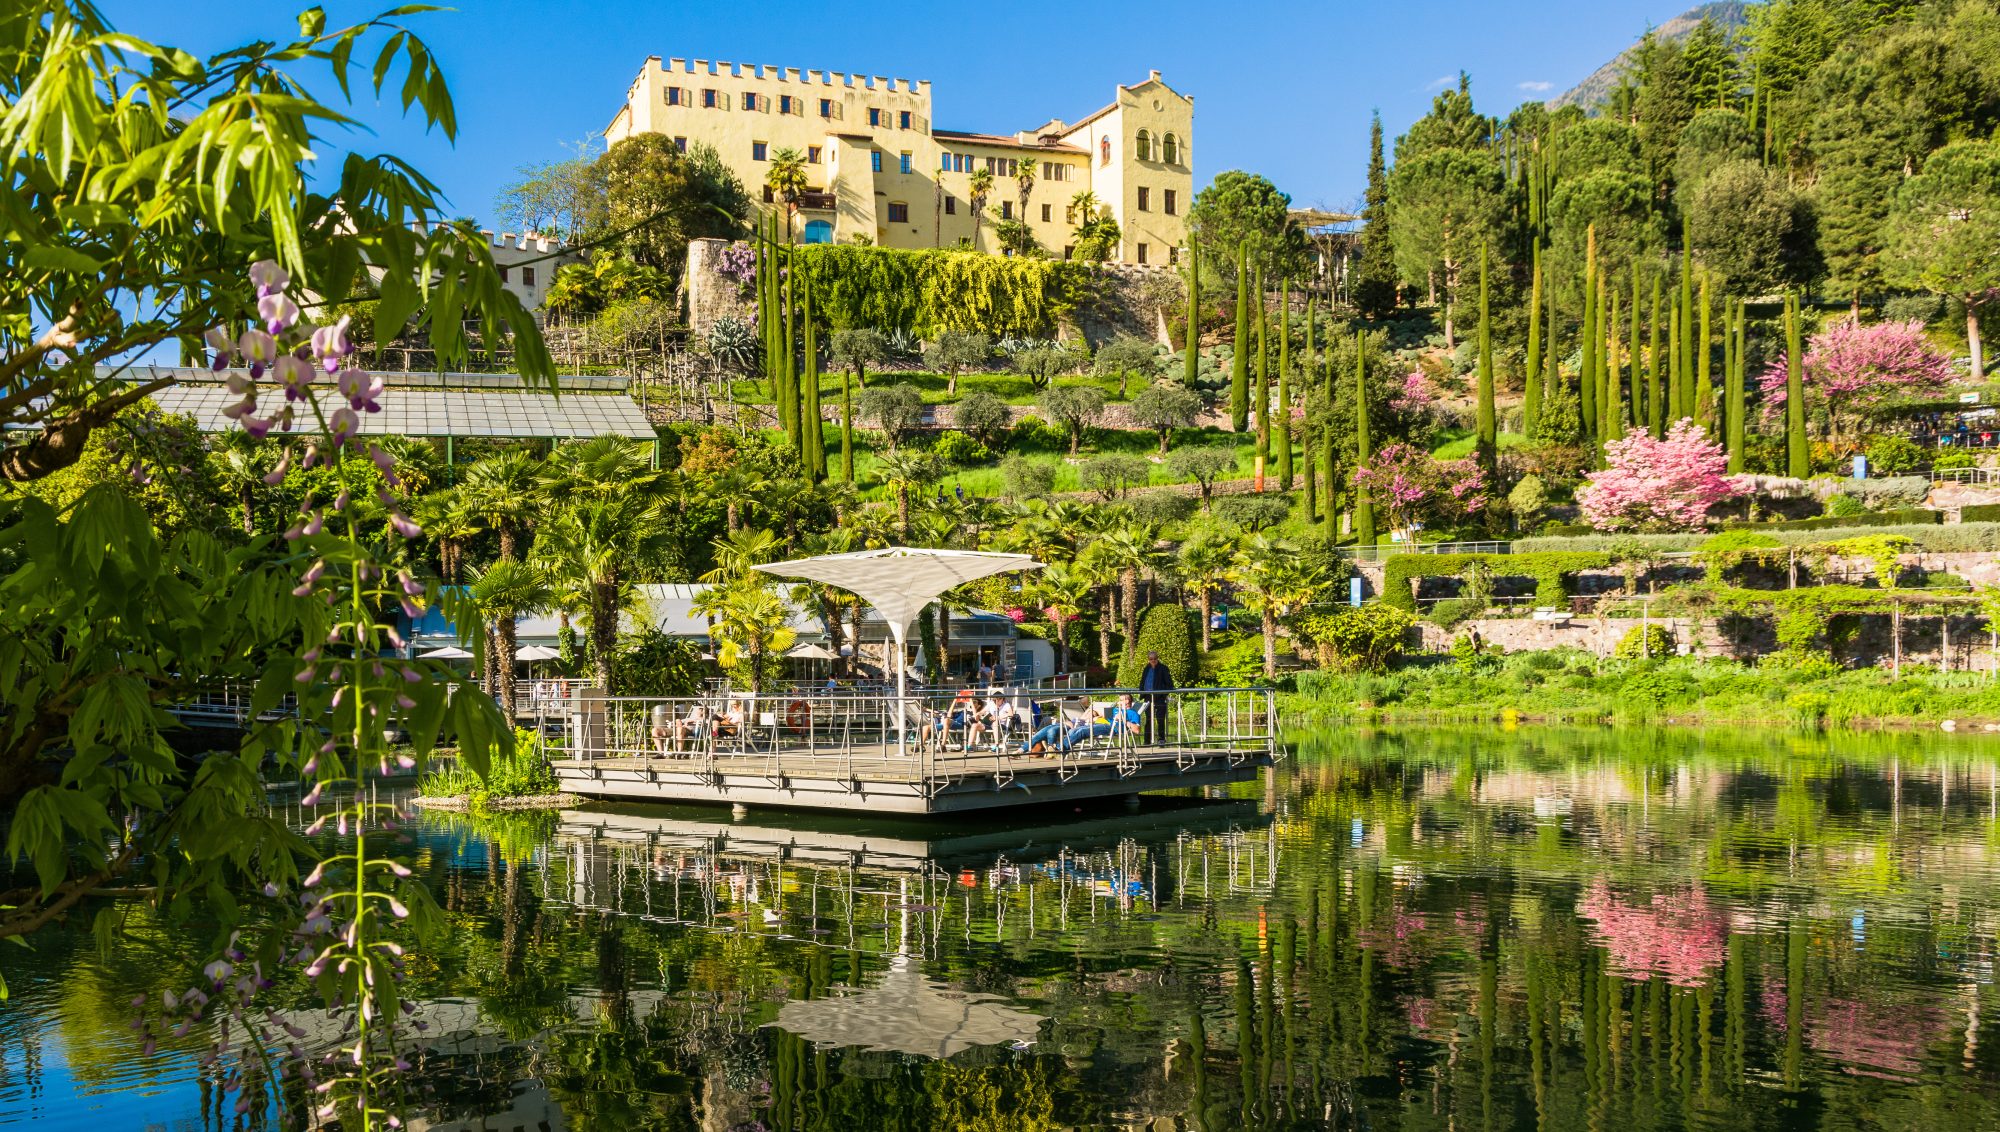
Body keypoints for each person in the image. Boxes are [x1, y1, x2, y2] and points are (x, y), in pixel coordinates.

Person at [1138, 650, 1175, 744]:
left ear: (1157, 658)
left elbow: (1170, 684)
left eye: (1155, 658)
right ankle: (1147, 741)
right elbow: (1142, 681)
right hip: (1148, 698)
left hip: (1159, 698)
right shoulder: (1146, 668)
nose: (1153, 660)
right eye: (1151, 659)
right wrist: (1142, 692)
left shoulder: (1163, 668)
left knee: (1160, 719)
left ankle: (1161, 739)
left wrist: (1161, 693)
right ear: (1148, 659)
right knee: (1149, 720)